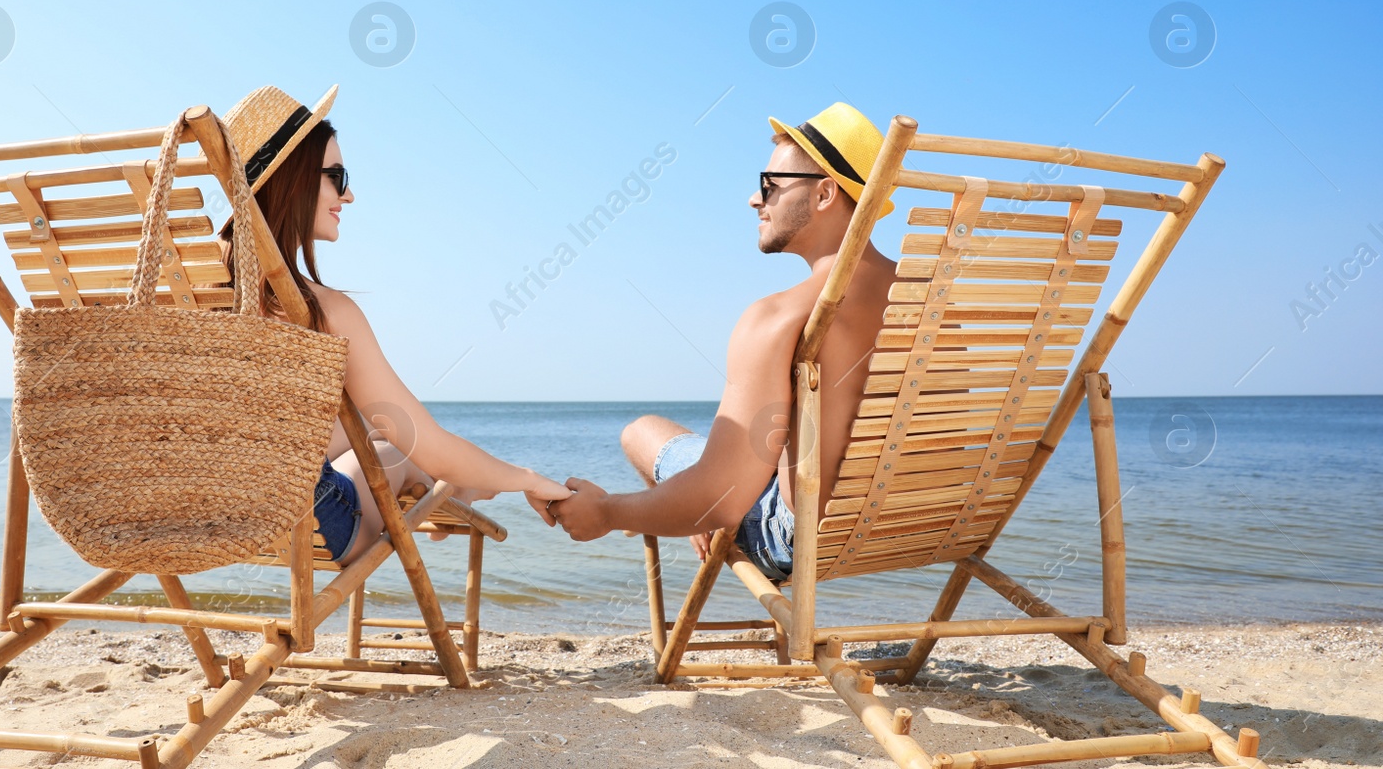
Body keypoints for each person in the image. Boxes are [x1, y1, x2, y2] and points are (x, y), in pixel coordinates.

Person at [546, 102, 897, 583]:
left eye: (770, 186)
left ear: (825, 194)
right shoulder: (932, 308)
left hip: (806, 538)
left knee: (642, 432)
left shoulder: (778, 318)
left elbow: (723, 497)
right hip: (910, 525)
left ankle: (685, 520)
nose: (755, 200)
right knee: (740, 466)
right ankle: (691, 508)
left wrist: (606, 512)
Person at [220, 85, 571, 565]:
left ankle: (462, 485)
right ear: (294, 179)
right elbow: (432, 445)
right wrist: (527, 478)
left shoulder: (192, 283)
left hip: (202, 504)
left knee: (372, 426)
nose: (349, 194)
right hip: (304, 522)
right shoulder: (324, 311)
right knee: (404, 444)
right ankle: (459, 487)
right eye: (336, 176)